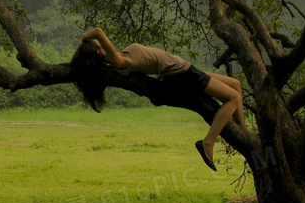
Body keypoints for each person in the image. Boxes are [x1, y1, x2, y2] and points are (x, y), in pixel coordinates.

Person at [70, 27, 244, 171]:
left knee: (235, 84)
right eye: (98, 44)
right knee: (234, 98)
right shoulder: (119, 61)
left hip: (182, 69)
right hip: (181, 73)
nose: (101, 42)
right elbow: (98, 31)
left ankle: (244, 132)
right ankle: (208, 142)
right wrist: (85, 38)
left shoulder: (120, 56)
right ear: (100, 50)